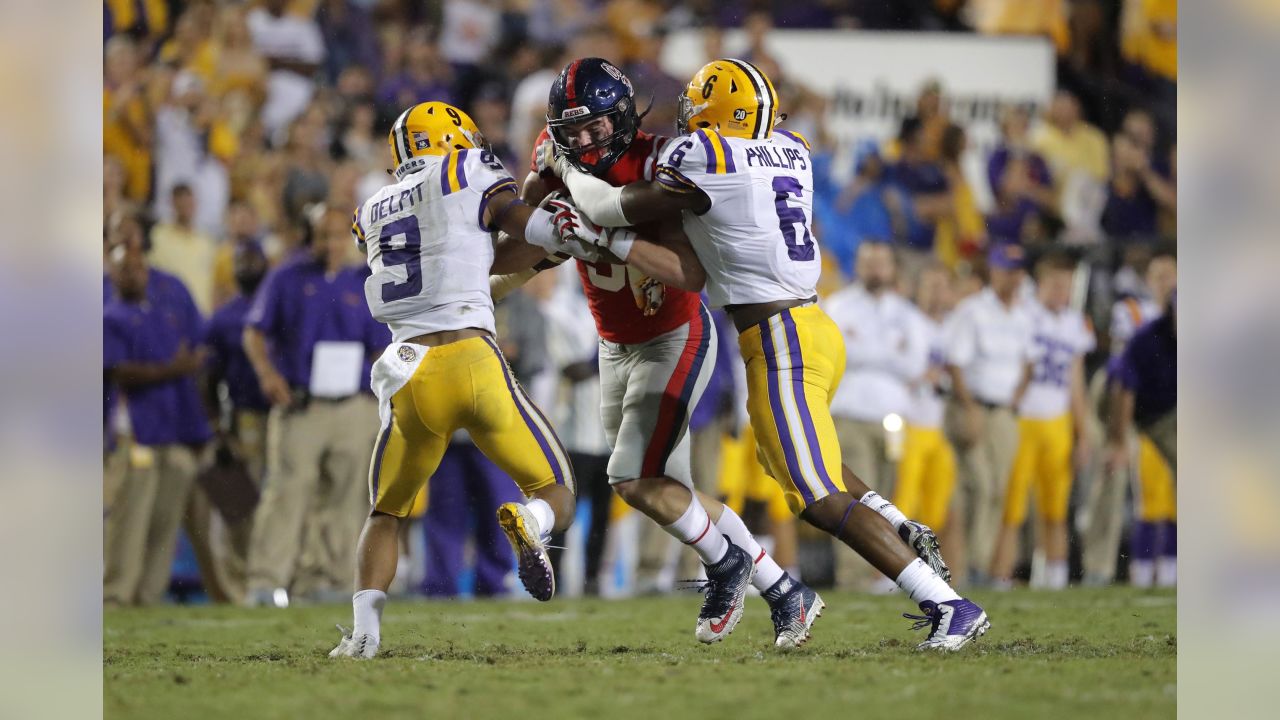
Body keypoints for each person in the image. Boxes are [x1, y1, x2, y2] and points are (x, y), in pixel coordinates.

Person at [544, 58, 985, 650]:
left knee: (815, 496)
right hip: (811, 325)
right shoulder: (793, 147)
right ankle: (895, 517)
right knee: (795, 465)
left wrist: (567, 176)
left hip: (778, 337)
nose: (688, 124)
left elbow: (607, 210)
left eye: (699, 113)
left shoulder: (706, 157)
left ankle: (946, 602)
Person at [503, 58, 815, 647]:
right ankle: (784, 591)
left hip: (675, 334)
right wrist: (482, 281)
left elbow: (689, 271)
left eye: (595, 128)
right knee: (671, 493)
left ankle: (727, 566)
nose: (583, 142)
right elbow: (534, 240)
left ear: (620, 117)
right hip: (613, 341)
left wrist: (601, 238)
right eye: (571, 133)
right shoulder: (555, 154)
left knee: (630, 476)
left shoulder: (661, 160)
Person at [330, 101, 589, 658]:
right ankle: (530, 518)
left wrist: (539, 259)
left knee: (386, 512)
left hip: (409, 373)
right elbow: (510, 218)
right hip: (472, 360)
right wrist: (555, 228)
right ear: (450, 137)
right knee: (557, 491)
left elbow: (464, 262)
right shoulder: (465, 169)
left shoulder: (370, 208)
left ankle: (364, 636)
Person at [241, 207, 388, 607]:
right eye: (323, 236)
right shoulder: (287, 276)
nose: (330, 244)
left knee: (344, 498)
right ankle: (265, 582)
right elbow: (254, 332)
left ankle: (325, 580)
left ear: (351, 238)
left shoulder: (364, 280)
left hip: (353, 406)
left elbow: (381, 341)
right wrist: (267, 376)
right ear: (311, 237)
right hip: (300, 404)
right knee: (287, 492)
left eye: (338, 236)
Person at [103, 239, 214, 606]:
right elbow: (119, 371)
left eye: (137, 268)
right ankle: (115, 595)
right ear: (112, 274)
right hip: (136, 433)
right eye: (123, 268)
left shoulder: (163, 314)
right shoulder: (108, 317)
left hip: (175, 432)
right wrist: (173, 368)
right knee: (129, 520)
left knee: (164, 523)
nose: (132, 274)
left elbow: (193, 361)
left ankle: (148, 596)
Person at [823, 242, 929, 590]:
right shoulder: (838, 306)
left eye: (881, 263)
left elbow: (915, 364)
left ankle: (885, 573)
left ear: (892, 267)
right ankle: (852, 576)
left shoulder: (906, 312)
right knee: (856, 498)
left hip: (894, 416)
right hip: (851, 414)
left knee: (889, 492)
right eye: (868, 262)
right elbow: (836, 355)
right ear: (858, 265)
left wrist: (864, 349)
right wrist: (888, 352)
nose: (875, 270)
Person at [989, 252, 1094, 590]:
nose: (1060, 292)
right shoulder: (1024, 314)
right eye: (1054, 285)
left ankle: (1056, 580)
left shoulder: (1075, 324)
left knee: (1055, 510)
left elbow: (1076, 384)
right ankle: (1000, 578)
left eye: (1066, 287)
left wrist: (1083, 433)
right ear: (1040, 285)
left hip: (1057, 422)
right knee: (1012, 508)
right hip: (1024, 421)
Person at [942, 243, 1036, 586]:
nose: (1011, 277)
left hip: (1003, 414)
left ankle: (981, 566)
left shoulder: (1025, 315)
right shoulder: (973, 311)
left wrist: (1017, 398)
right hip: (974, 406)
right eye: (1005, 270)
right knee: (978, 486)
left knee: (997, 490)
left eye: (1016, 270)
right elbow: (955, 364)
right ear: (993, 272)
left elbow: (1029, 361)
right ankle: (964, 567)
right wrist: (969, 410)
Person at [203, 240, 271, 603]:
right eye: (240, 260)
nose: (247, 266)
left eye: (253, 258)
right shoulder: (224, 318)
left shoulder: (280, 305)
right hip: (243, 417)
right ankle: (235, 587)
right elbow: (208, 378)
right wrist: (217, 426)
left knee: (280, 502)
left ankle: (274, 580)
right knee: (236, 504)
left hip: (284, 415)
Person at [895, 263, 958, 540]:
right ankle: (884, 574)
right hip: (906, 422)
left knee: (936, 508)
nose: (935, 293)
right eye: (930, 286)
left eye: (941, 286)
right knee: (901, 502)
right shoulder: (905, 320)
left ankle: (928, 570)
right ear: (918, 289)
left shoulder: (951, 327)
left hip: (937, 425)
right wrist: (922, 376)